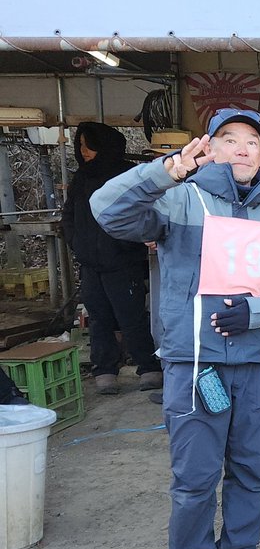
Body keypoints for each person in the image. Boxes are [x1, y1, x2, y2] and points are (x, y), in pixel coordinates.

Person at [92, 108, 260, 549]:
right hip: (195, 364)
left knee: (255, 471)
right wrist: (165, 170)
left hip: (259, 365)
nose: (242, 148)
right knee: (194, 474)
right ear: (210, 148)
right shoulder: (178, 201)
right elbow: (106, 209)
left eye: (252, 141)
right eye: (229, 139)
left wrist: (259, 313)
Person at [63, 122, 161, 395]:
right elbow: (68, 215)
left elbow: (145, 211)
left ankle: (148, 367)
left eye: (88, 145)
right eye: (80, 145)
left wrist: (126, 245)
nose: (83, 151)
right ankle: (105, 370)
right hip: (91, 263)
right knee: (98, 317)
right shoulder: (81, 178)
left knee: (131, 316)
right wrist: (77, 244)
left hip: (123, 260)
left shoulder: (127, 173)